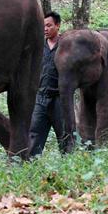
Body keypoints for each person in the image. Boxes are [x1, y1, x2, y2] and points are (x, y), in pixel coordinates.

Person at [29, 11, 73, 156]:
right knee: (34, 133)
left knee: (65, 135)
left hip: (59, 99)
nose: (45, 29)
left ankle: (68, 165)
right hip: (40, 98)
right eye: (43, 26)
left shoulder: (65, 45)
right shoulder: (39, 46)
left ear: (58, 26)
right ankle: (31, 165)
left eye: (49, 25)